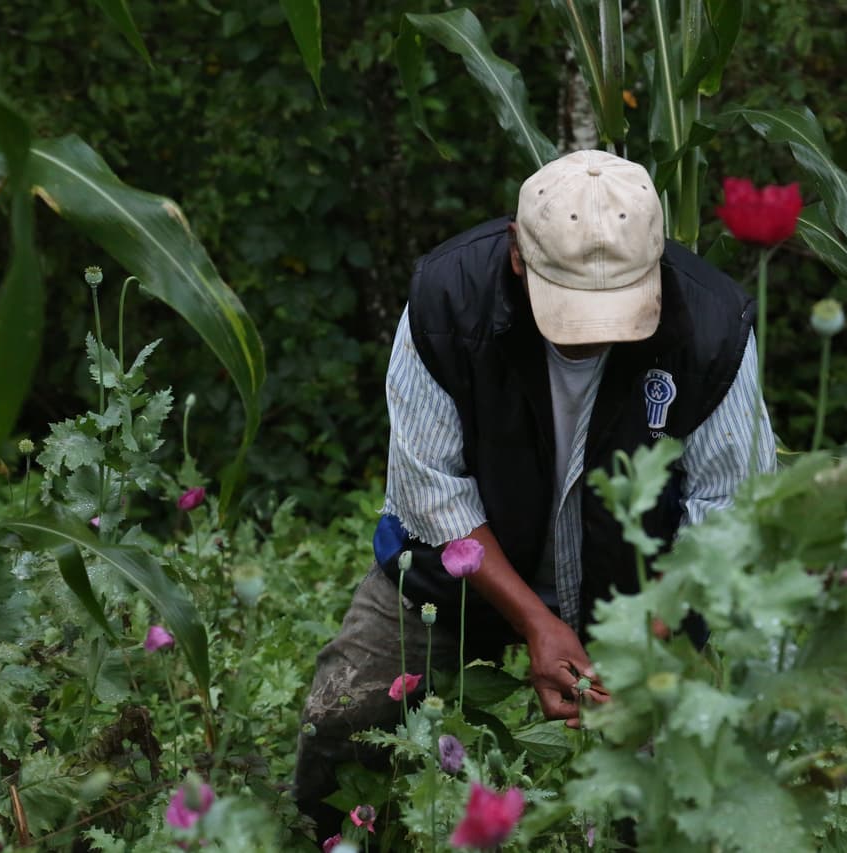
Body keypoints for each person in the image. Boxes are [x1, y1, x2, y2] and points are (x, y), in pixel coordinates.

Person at [293, 149, 774, 827]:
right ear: (518, 253)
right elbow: (432, 492)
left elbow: (730, 513)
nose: (594, 334)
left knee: (684, 778)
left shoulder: (713, 327)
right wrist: (537, 622)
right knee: (344, 717)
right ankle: (336, 839)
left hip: (646, 589)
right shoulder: (446, 301)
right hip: (463, 571)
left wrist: (646, 639)